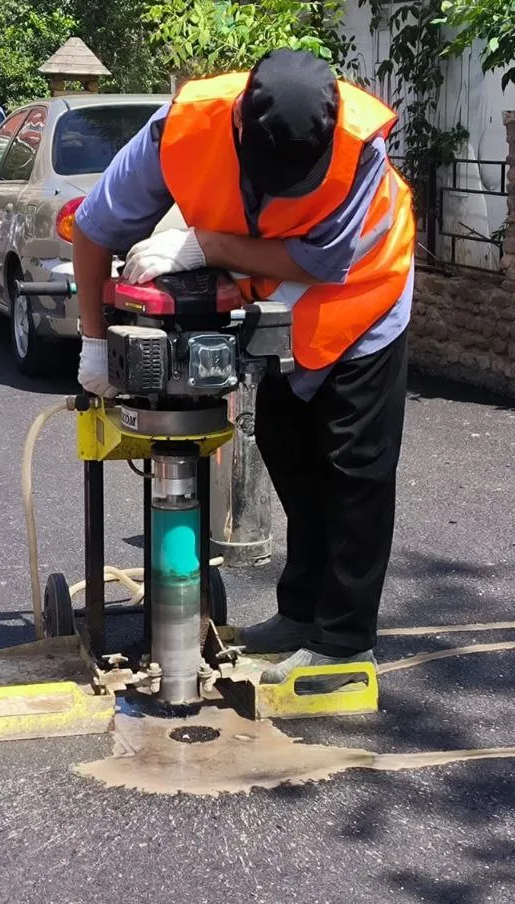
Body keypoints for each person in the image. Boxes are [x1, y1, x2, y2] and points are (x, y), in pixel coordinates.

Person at [71, 49, 415, 687]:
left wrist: (206, 246)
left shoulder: (358, 146)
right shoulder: (182, 128)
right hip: (283, 301)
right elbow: (93, 228)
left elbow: (326, 262)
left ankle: (343, 644)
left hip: (367, 294)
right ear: (237, 127)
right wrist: (94, 343)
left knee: (353, 468)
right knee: (287, 443)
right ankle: (301, 612)